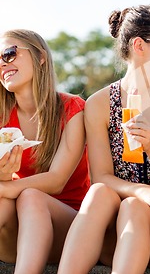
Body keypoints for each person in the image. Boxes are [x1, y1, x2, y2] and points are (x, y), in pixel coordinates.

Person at [57, 4, 150, 274]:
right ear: (139, 45)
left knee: (134, 208)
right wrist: (143, 191)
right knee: (102, 193)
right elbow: (101, 177)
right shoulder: (100, 103)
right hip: (118, 227)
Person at [0, 29, 90, 273]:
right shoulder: (2, 118)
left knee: (29, 196)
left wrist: (5, 187)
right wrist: (4, 178)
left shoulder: (72, 108)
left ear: (40, 57)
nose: (2, 64)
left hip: (69, 228)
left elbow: (56, 181)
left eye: (9, 54)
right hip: (17, 233)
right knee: (6, 203)